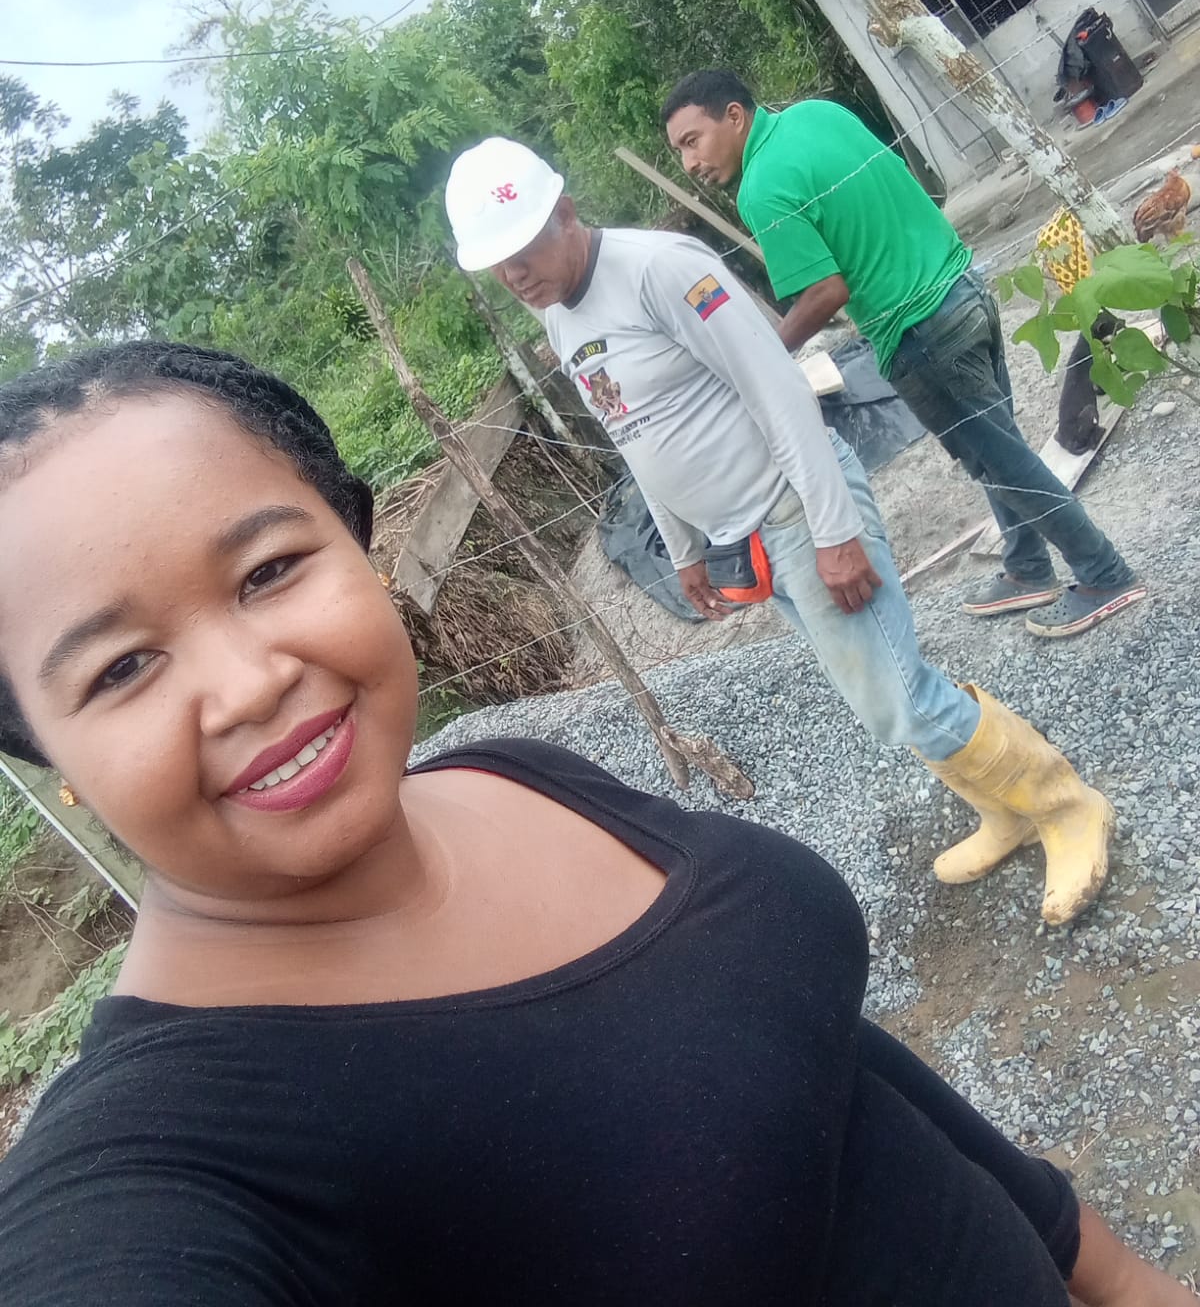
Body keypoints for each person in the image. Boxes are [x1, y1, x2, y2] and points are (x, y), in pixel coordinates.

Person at [0, 341, 1189, 1307]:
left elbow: (827, 1061)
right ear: (52, 758)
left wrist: (1112, 1272)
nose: (249, 684)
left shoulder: (514, 774)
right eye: (121, 668)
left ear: (357, 546)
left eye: (267, 571)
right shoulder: (164, 1151)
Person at [446, 139, 1118, 928]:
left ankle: (1067, 806)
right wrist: (686, 549)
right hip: (749, 532)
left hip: (798, 509)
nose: (514, 273)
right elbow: (634, 431)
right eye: (496, 263)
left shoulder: (662, 270)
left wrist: (835, 529)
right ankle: (1005, 811)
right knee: (881, 693)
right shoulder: (559, 317)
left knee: (897, 697)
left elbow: (778, 386)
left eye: (523, 248)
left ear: (564, 212)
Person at [661, 70, 1146, 641]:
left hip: (920, 331)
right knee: (999, 446)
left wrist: (757, 360)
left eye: (692, 141)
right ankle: (1027, 568)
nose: (690, 163)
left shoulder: (761, 188)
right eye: (679, 152)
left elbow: (825, 292)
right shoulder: (817, 114)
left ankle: (1103, 574)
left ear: (734, 116)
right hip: (964, 286)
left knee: (1001, 460)